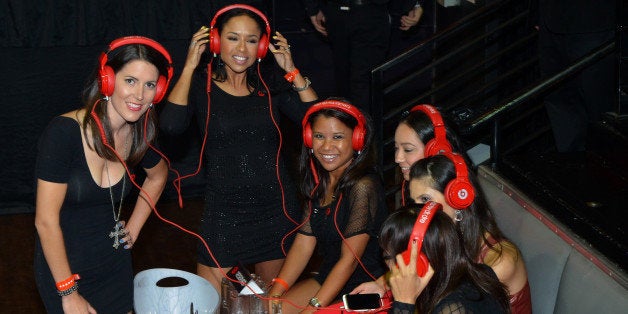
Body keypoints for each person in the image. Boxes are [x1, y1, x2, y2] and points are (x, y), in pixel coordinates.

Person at [159, 4, 318, 293]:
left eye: (252, 39)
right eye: (232, 38)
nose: (241, 47)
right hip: (224, 213)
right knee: (209, 302)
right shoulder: (199, 85)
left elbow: (318, 121)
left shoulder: (270, 86)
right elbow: (170, 125)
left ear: (262, 46)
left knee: (271, 303)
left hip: (275, 212)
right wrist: (190, 66)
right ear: (216, 42)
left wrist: (292, 71)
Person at [34, 36, 171, 313]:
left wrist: (134, 227)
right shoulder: (63, 133)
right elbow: (45, 222)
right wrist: (68, 292)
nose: (139, 95)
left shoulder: (139, 135)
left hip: (114, 266)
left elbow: (158, 176)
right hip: (64, 270)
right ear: (108, 80)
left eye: (149, 85)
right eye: (130, 81)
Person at [267, 99, 388, 313]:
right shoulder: (319, 180)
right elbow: (304, 243)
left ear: (358, 140)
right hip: (328, 276)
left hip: (360, 287)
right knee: (266, 309)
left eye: (338, 137)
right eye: (319, 136)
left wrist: (313, 308)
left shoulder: (364, 186)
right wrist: (276, 291)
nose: (326, 146)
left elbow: (348, 262)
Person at [407, 152, 531, 313]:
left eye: (425, 200)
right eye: (413, 202)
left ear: (458, 199)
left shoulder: (500, 260)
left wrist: (405, 300)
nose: (418, 213)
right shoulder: (444, 239)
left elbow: (449, 307)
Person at [380, 202, 511, 313]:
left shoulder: (452, 308)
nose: (390, 267)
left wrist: (404, 303)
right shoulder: (480, 273)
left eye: (389, 257)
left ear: (419, 262)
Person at [536, 0, 616, 153]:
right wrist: (537, 14)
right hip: (551, 21)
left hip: (595, 24)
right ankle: (573, 164)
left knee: (598, 106)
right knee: (558, 99)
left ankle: (602, 164)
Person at [301, 0, 392, 113]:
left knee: (356, 78)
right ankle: (358, 123)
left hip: (361, 12)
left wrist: (313, 8)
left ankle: (357, 123)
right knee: (353, 78)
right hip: (348, 12)